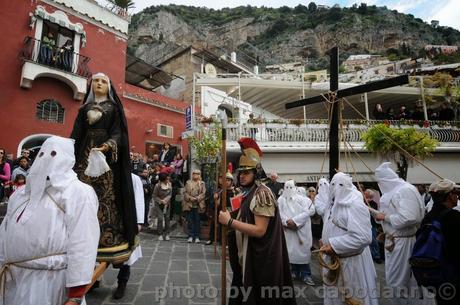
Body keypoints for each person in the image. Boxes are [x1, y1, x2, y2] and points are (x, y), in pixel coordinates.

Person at [0, 136, 100, 305]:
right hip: (12, 277)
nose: (46, 158)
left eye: (54, 153)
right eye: (42, 153)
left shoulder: (79, 192)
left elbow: (83, 241)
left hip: (50, 283)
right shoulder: (20, 194)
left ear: (68, 159)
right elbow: (4, 231)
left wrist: (76, 292)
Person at [218, 137, 296, 305]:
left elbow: (260, 230)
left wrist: (229, 222)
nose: (242, 176)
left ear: (256, 172)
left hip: (260, 260)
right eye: (241, 172)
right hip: (246, 257)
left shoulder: (262, 194)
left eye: (247, 172)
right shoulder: (246, 192)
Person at [70, 73, 138, 249]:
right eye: (96, 81)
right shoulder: (84, 109)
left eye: (104, 81)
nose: (99, 84)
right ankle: (78, 234)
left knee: (105, 194)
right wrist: (68, 150)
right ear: (91, 85)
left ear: (109, 87)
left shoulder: (113, 108)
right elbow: (76, 134)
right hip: (84, 155)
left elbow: (118, 133)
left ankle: (107, 234)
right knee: (82, 191)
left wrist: (108, 145)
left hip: (105, 159)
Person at [320, 172, 378, 305]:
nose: (336, 188)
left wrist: (333, 245)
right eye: (333, 184)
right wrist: (324, 239)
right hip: (332, 261)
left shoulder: (355, 205)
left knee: (352, 296)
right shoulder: (331, 205)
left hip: (350, 262)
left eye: (341, 184)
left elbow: (363, 237)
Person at [374, 162, 425, 305]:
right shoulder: (396, 191)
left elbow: (410, 217)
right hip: (395, 241)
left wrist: (385, 217)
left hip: (404, 242)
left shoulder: (404, 190)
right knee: (395, 280)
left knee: (400, 281)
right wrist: (380, 217)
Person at [420, 179, 460, 305]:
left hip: (436, 274)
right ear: (449, 196)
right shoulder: (454, 217)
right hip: (453, 274)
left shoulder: (428, 217)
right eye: (455, 193)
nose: (457, 196)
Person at [112, 173, 145, 299]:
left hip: (126, 221)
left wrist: (138, 221)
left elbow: (139, 199)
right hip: (106, 220)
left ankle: (122, 282)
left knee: (127, 254)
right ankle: (96, 279)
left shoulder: (133, 178)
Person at [278, 181, 316, 286]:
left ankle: (306, 274)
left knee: (303, 253)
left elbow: (308, 212)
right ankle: (293, 272)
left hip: (302, 231)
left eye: (291, 187)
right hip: (288, 231)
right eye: (287, 187)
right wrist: (286, 222)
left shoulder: (305, 200)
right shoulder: (281, 199)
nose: (289, 189)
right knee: (290, 253)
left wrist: (295, 221)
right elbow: (278, 212)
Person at [206, 172, 235, 245]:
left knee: (229, 227)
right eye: (226, 180)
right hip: (220, 211)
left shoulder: (235, 190)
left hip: (230, 211)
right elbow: (217, 204)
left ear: (231, 181)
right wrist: (216, 198)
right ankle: (212, 239)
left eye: (229, 180)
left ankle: (226, 242)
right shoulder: (220, 190)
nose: (227, 182)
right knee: (214, 224)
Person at [183, 169, 206, 243]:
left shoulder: (202, 183)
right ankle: (190, 235)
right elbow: (185, 192)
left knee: (197, 221)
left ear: (199, 175)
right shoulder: (188, 182)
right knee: (190, 221)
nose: (195, 175)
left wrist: (197, 198)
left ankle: (197, 236)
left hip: (198, 204)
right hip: (190, 204)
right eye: (194, 174)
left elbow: (203, 193)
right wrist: (190, 198)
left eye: (197, 174)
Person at [364, 189, 383, 264]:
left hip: (371, 224)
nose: (364, 194)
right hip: (364, 224)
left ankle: (376, 256)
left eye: (365, 193)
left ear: (369, 195)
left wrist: (368, 205)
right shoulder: (361, 201)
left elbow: (374, 212)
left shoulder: (374, 204)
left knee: (373, 240)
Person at [153, 172, 172, 241]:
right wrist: (161, 201)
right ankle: (160, 234)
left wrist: (166, 200)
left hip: (167, 204)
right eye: (166, 178)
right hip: (159, 204)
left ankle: (167, 234)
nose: (168, 179)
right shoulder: (157, 186)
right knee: (160, 219)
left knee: (167, 219)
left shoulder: (169, 184)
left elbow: (170, 194)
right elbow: (154, 196)